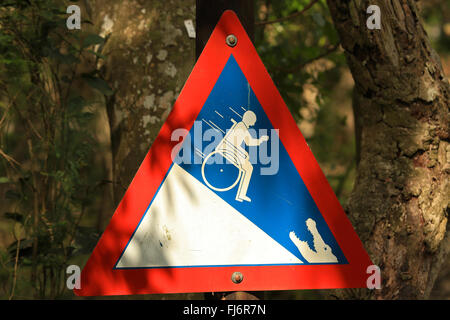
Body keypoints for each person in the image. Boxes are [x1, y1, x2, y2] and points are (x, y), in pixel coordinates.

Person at [214, 110, 268, 202]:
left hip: (231, 150)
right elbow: (234, 143)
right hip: (229, 150)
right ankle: (241, 195)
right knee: (249, 168)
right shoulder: (241, 127)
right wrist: (245, 153)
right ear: (249, 120)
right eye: (252, 121)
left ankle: (241, 194)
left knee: (249, 167)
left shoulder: (243, 127)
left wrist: (261, 140)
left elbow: (249, 142)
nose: (253, 123)